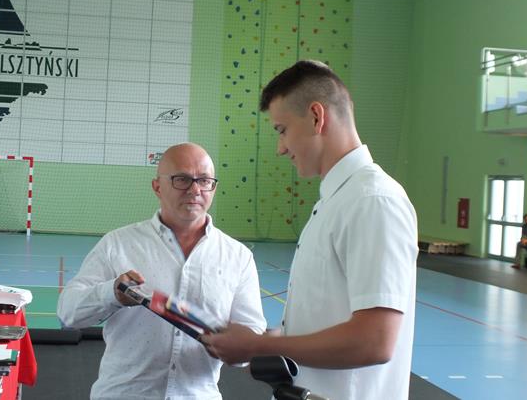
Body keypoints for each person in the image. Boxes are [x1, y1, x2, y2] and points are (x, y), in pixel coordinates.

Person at [202, 60, 418, 400]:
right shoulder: (338, 200)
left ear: (317, 117)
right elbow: (330, 317)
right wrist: (272, 339)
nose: (280, 148)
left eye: (282, 130)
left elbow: (376, 340)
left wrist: (258, 345)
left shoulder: (372, 200)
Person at [57, 142, 266, 400]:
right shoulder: (117, 244)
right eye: (182, 179)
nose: (195, 190)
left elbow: (251, 338)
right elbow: (68, 313)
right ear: (157, 187)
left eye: (204, 181)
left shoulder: (238, 257)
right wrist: (112, 294)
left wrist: (236, 347)